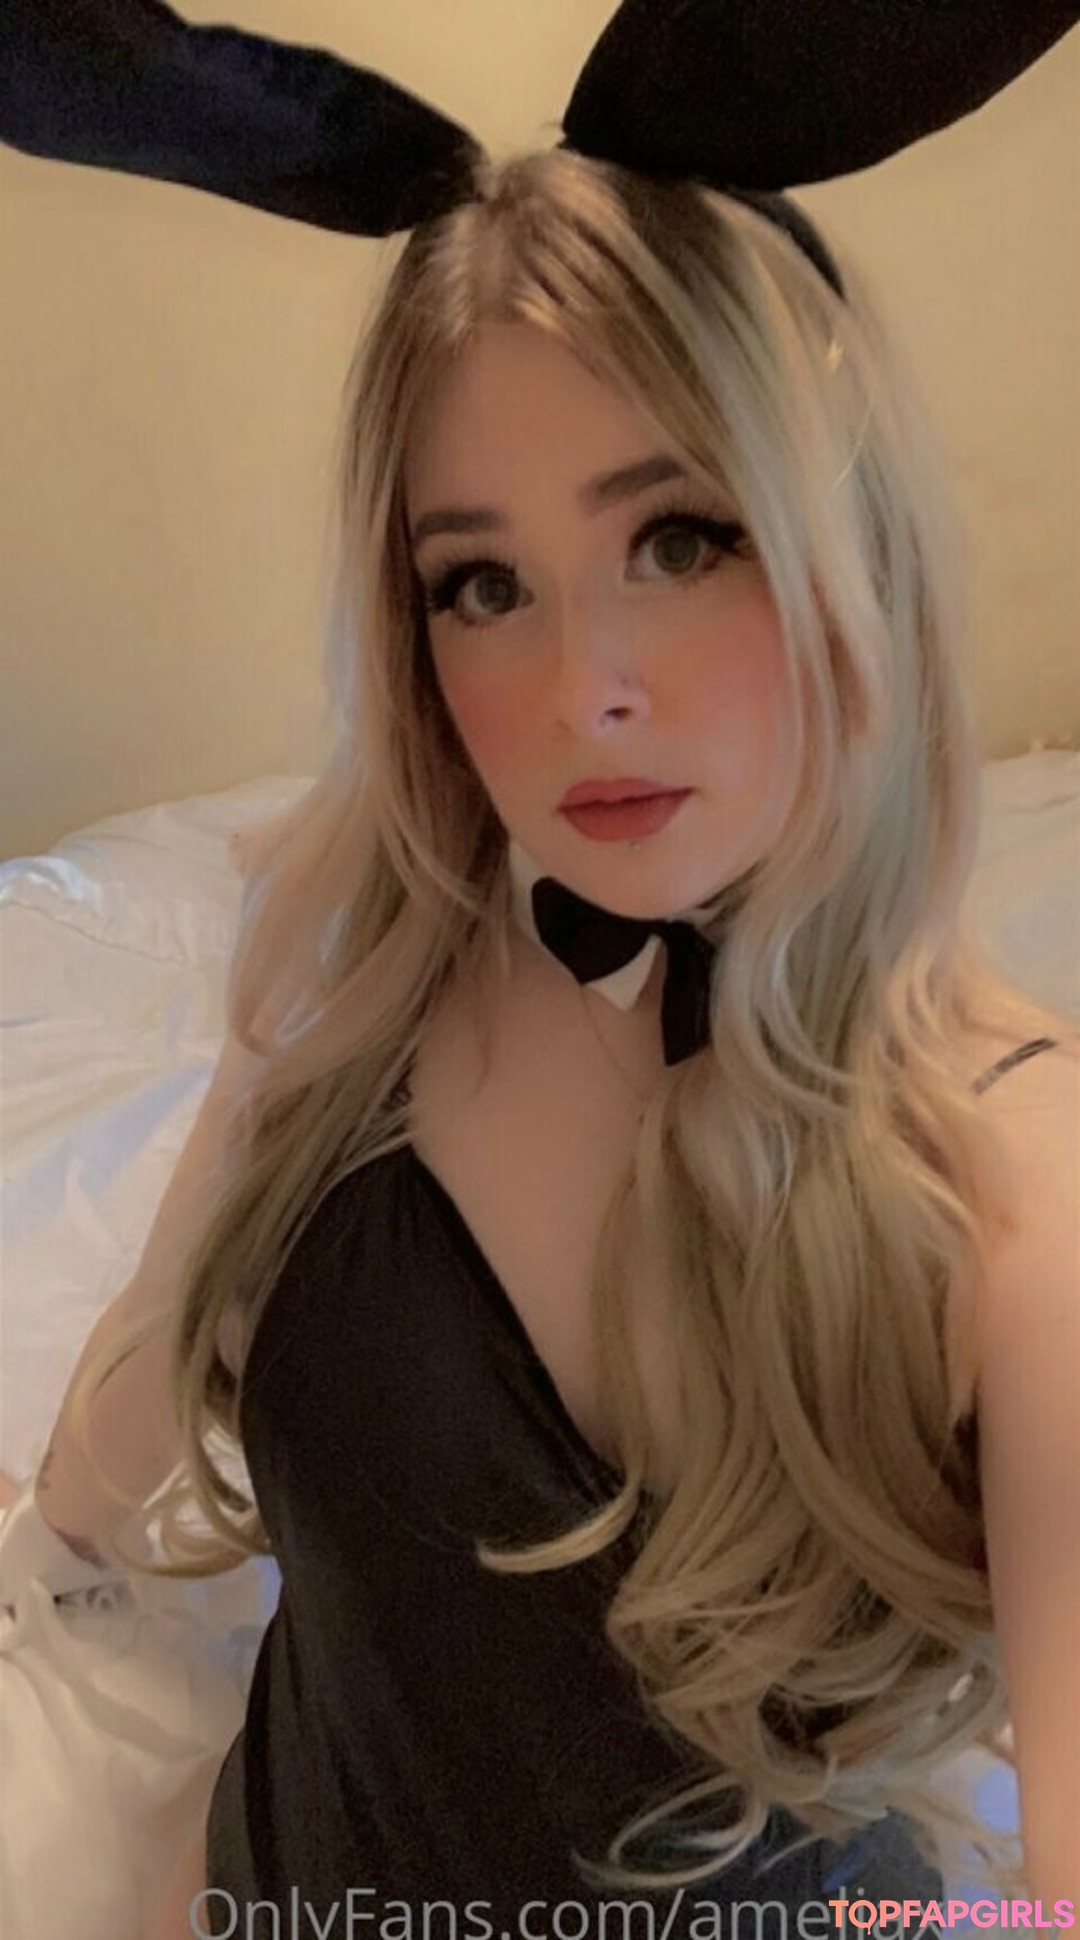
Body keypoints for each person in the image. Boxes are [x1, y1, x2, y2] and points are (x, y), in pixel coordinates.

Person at [3, 4, 1079, 1933]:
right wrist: (57, 1549)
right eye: (482, 583)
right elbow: (141, 1386)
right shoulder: (363, 965)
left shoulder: (1017, 1192)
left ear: (848, 547)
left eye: (682, 538)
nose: (585, 689)